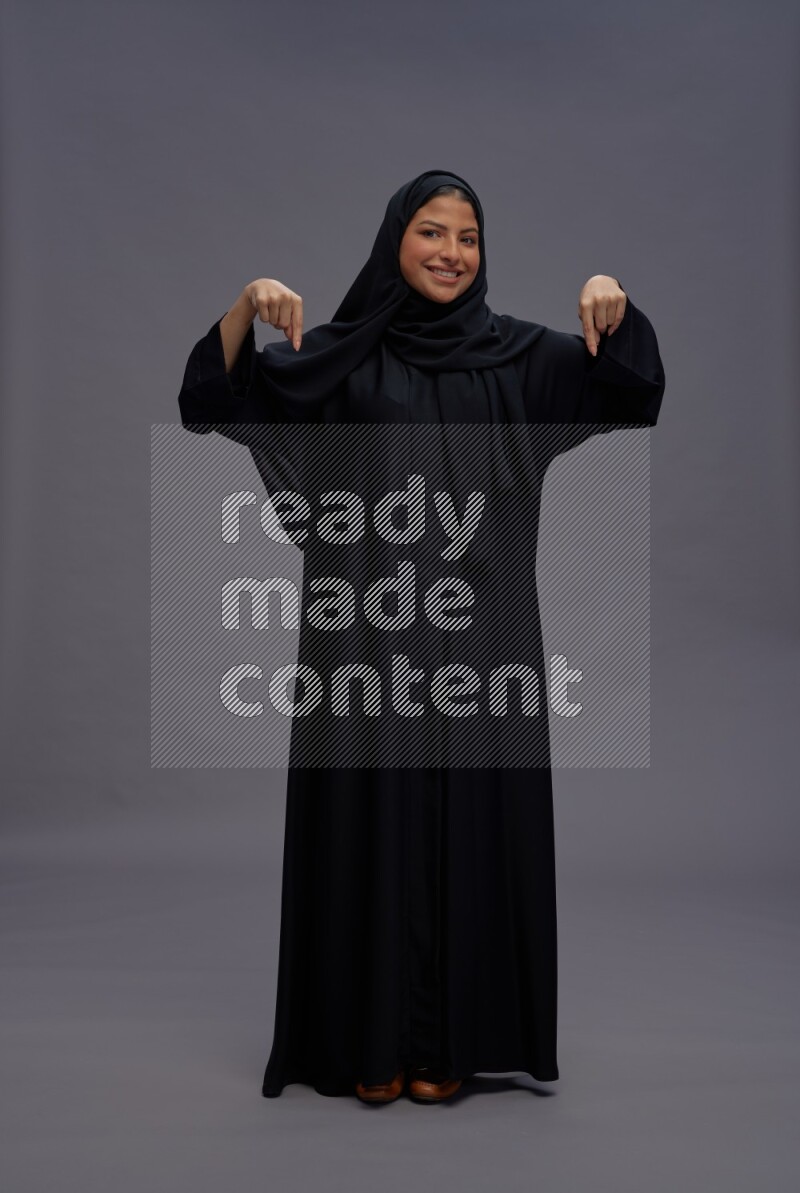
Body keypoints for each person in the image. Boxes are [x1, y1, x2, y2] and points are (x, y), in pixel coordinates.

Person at [177, 170, 666, 1104]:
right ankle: (372, 1044)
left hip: (485, 651)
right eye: (432, 232)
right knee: (372, 828)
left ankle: (449, 1047)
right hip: (364, 647)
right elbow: (215, 400)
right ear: (394, 241)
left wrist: (615, 300)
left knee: (472, 832)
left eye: (468, 238)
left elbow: (629, 391)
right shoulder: (339, 360)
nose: (451, 252)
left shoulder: (521, 360)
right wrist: (245, 305)